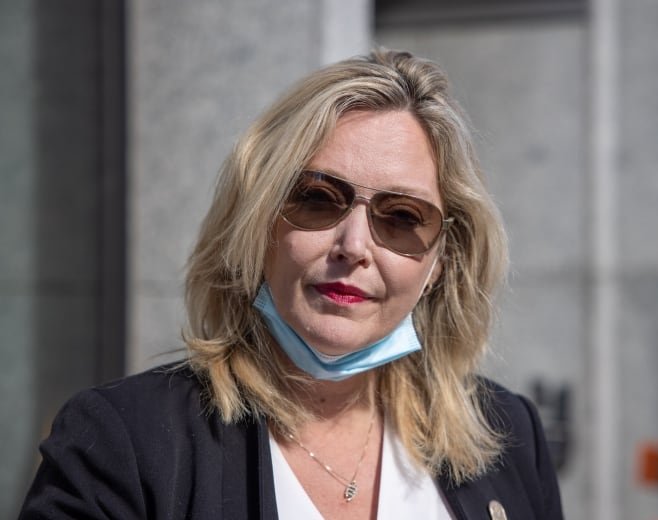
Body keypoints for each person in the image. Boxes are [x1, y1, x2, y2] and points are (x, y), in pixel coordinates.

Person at [20, 48, 564, 519]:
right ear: (258, 225)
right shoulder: (122, 443)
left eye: (401, 216)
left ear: (438, 262)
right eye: (317, 198)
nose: (353, 246)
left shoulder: (509, 436)